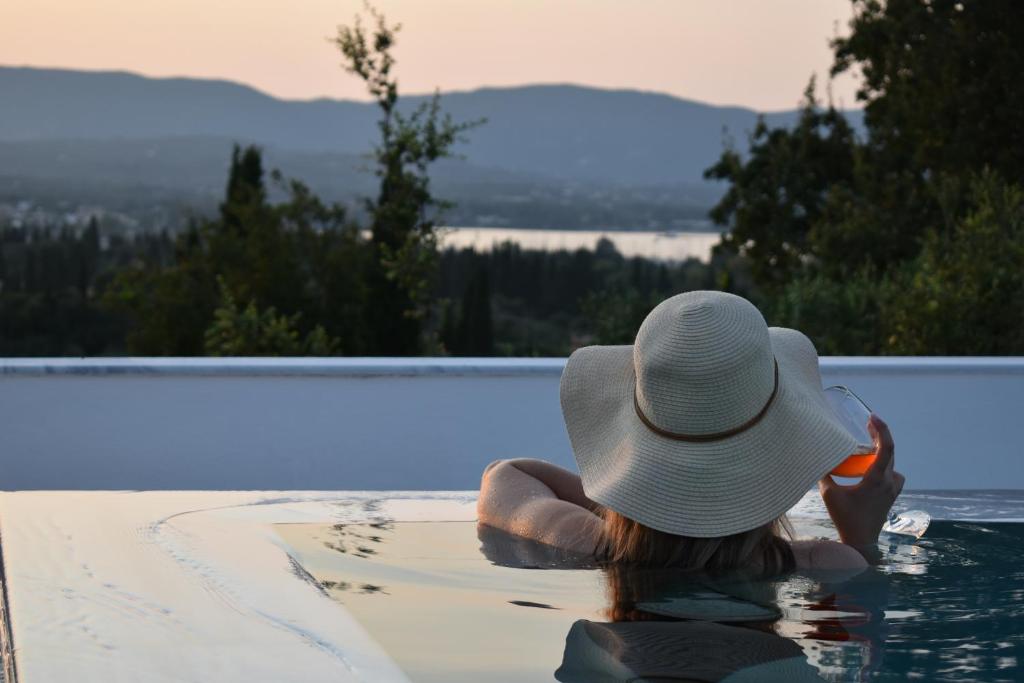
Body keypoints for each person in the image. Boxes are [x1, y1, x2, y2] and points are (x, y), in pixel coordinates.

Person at [477, 290, 905, 573]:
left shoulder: (582, 541)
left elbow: (506, 473)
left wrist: (630, 504)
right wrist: (860, 537)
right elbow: (860, 637)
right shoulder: (821, 562)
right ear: (780, 441)